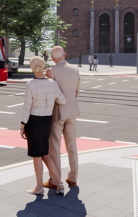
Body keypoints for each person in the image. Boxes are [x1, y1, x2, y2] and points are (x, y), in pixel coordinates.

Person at [18, 56, 67, 195]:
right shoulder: (52, 83)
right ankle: (60, 184)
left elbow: (26, 108)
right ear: (44, 66)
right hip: (47, 121)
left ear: (32, 68)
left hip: (34, 122)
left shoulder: (31, 84)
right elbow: (62, 101)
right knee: (45, 154)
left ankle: (39, 187)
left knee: (37, 156)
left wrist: (22, 127)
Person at [43, 46, 82, 188]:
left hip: (57, 112)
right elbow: (77, 92)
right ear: (65, 55)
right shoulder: (75, 69)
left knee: (54, 146)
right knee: (72, 145)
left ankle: (54, 180)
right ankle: (73, 177)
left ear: (53, 59)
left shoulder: (51, 71)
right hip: (72, 110)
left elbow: (49, 94)